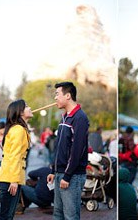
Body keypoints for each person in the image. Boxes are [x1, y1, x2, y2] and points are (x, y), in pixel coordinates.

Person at [46, 81, 90, 220]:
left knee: (71, 216)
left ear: (68, 96)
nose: (55, 98)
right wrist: (54, 170)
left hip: (72, 176)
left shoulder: (80, 118)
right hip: (60, 174)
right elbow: (60, 147)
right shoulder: (64, 117)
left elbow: (77, 150)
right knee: (58, 214)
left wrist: (67, 175)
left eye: (57, 94)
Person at [0, 99, 33, 219]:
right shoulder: (18, 130)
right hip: (10, 179)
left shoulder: (17, 129)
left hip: (9, 177)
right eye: (27, 106)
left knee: (7, 216)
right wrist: (14, 180)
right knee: (6, 216)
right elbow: (15, 155)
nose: (30, 108)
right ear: (20, 112)